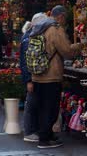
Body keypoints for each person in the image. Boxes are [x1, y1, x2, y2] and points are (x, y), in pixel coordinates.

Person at [30, 5, 81, 149]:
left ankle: (46, 135)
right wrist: (79, 46)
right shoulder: (55, 29)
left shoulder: (39, 27)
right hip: (51, 75)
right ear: (61, 16)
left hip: (38, 75)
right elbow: (66, 50)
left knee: (42, 107)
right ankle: (45, 139)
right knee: (50, 107)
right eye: (65, 18)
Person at [21, 13, 48, 142]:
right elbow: (26, 62)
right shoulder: (30, 39)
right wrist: (29, 80)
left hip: (33, 77)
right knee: (31, 104)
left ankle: (32, 130)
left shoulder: (29, 37)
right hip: (32, 77)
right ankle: (29, 131)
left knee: (34, 103)